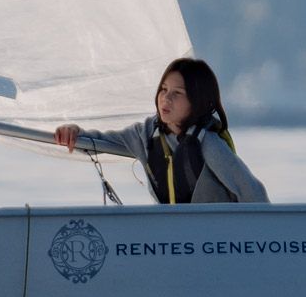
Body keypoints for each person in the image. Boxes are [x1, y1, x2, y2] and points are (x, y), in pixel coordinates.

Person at [54, 57, 269, 204]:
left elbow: (253, 193)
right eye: (164, 89)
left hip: (216, 242)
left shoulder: (209, 144)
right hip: (173, 238)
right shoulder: (144, 134)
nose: (166, 98)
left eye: (177, 93)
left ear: (197, 101)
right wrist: (75, 132)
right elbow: (98, 142)